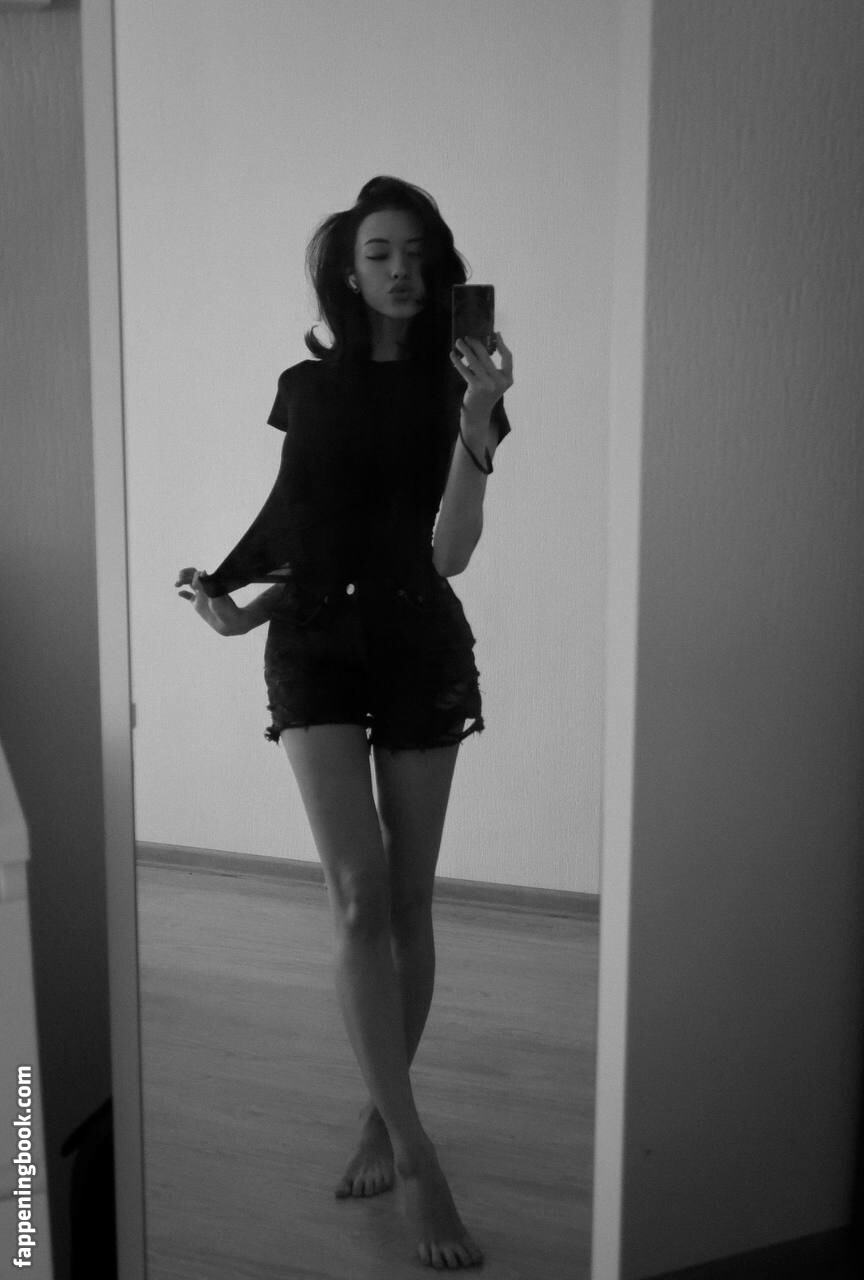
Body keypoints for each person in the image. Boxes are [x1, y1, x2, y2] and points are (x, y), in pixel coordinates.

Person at [176, 176, 513, 1270]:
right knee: (360, 892)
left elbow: (448, 550)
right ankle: (416, 1153)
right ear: (348, 271)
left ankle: (381, 1107)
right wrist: (241, 603)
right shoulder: (307, 388)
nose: (401, 270)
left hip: (419, 638)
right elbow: (305, 521)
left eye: (417, 252)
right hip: (315, 638)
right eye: (379, 253)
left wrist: (477, 420)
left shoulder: (463, 387)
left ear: (439, 266)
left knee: (409, 898)